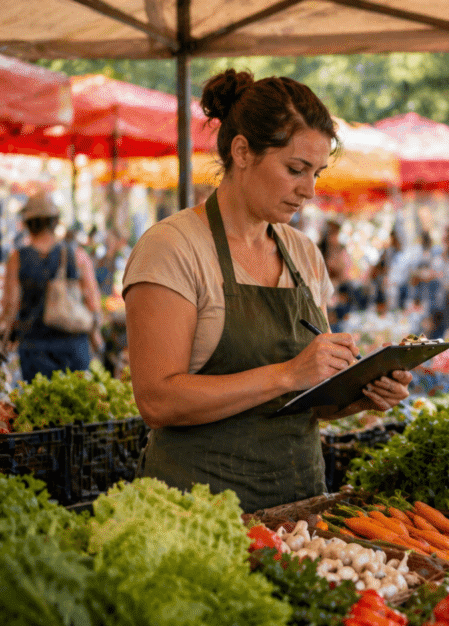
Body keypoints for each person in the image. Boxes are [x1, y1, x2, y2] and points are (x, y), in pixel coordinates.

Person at [122, 69, 412, 513]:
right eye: (295, 169)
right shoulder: (172, 247)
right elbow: (158, 400)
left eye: (315, 172)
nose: (309, 191)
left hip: (299, 505)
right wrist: (288, 373)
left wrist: (360, 394)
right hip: (198, 511)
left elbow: (306, 400)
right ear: (242, 151)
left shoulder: (303, 254)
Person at [0, 191, 102, 382]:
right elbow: (92, 300)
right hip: (74, 345)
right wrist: (96, 334)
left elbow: (10, 305)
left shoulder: (17, 259)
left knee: (41, 405)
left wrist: (6, 333)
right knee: (76, 404)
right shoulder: (77, 255)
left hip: (33, 347)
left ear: (28, 223)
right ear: (54, 221)